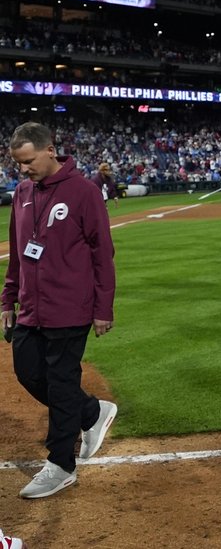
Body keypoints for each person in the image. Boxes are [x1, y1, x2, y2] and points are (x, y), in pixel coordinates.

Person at [2, 122, 118, 500]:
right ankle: (91, 413)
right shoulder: (21, 193)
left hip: (71, 307)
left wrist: (103, 308)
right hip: (31, 309)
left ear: (50, 150)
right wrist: (8, 299)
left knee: (62, 380)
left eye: (28, 161)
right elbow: (18, 253)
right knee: (28, 372)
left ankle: (61, 465)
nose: (23, 170)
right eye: (18, 164)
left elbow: (103, 254)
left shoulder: (84, 192)